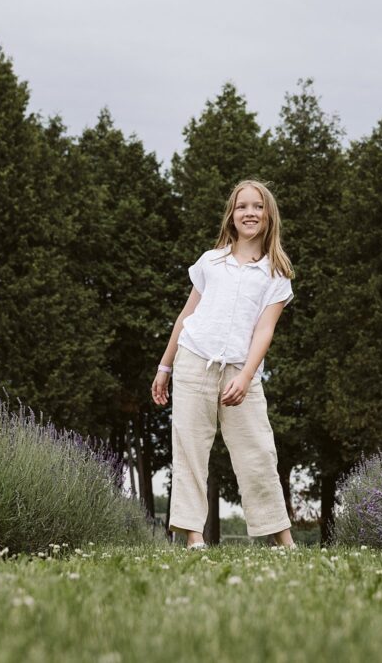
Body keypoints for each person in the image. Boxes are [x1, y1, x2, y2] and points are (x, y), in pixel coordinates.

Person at [151, 179, 296, 550]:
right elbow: (187, 315)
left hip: (239, 372)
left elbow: (264, 332)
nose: (250, 213)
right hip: (193, 362)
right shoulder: (210, 261)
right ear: (231, 216)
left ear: (268, 215)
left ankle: (282, 538)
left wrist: (246, 376)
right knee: (190, 449)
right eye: (242, 206)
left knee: (258, 451)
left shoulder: (276, 274)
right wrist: (164, 367)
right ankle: (193, 537)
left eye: (258, 206)